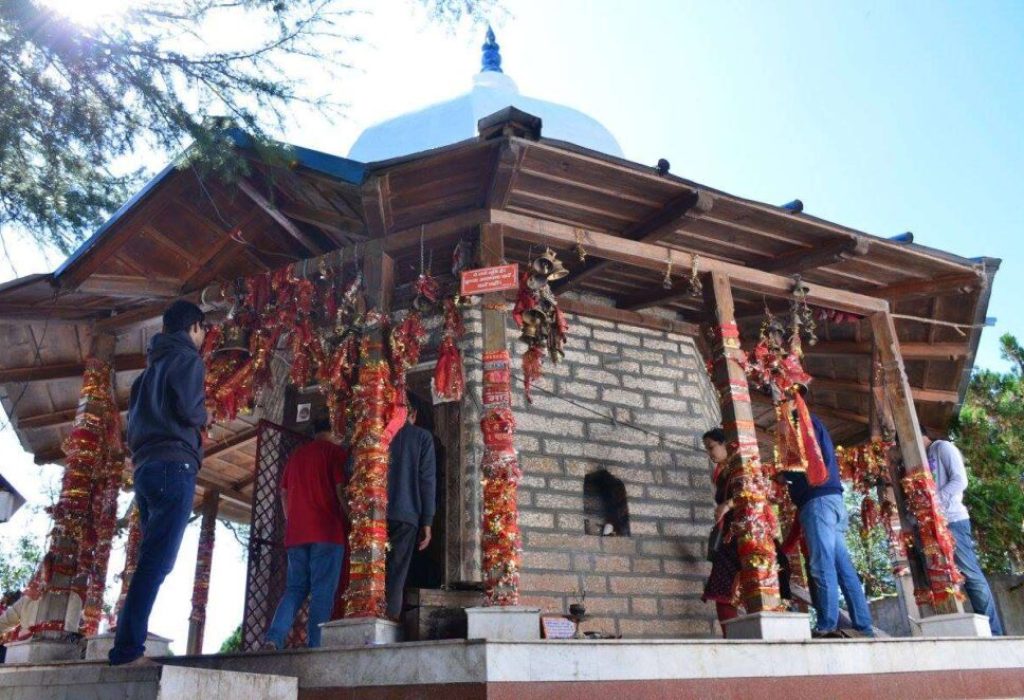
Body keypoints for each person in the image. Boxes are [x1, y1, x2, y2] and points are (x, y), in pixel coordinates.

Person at [109, 300, 207, 666]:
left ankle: (127, 642)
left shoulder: (145, 376)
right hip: (174, 466)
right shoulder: (188, 361)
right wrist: (203, 415)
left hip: (146, 468)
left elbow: (131, 429)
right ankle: (127, 649)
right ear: (194, 327)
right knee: (157, 563)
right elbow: (190, 409)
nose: (202, 338)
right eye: (203, 331)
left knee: (150, 560)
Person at [780, 390, 874, 638]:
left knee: (822, 565)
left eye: (781, 396)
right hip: (832, 499)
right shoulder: (814, 424)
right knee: (843, 566)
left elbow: (802, 465)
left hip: (817, 500)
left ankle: (827, 623)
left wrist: (784, 477)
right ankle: (863, 624)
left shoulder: (800, 424)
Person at [263, 418, 349, 649]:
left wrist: (292, 520)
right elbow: (341, 489)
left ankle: (274, 638)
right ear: (334, 430)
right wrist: (350, 516)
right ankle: (315, 646)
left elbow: (283, 492)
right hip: (327, 531)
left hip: (297, 534)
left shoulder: (296, 456)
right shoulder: (335, 453)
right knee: (322, 591)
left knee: (294, 589)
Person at [922, 431, 1004, 636]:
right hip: (936, 523)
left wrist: (935, 501)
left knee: (970, 574)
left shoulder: (942, 447)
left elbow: (960, 481)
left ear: (920, 433)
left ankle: (993, 631)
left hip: (954, 519)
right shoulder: (923, 457)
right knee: (945, 576)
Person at [383, 393, 436, 621]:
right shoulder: (422, 438)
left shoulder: (380, 436)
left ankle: (367, 615)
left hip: (374, 514)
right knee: (396, 571)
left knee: (372, 568)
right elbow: (427, 479)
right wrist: (428, 520)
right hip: (407, 515)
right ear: (413, 414)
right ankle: (388, 619)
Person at [699, 428, 743, 635]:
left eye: (712, 447)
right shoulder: (723, 472)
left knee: (729, 588)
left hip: (743, 535)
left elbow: (751, 490)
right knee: (722, 590)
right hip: (729, 537)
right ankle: (732, 638)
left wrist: (728, 504)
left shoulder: (741, 465)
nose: (710, 454)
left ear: (724, 443)